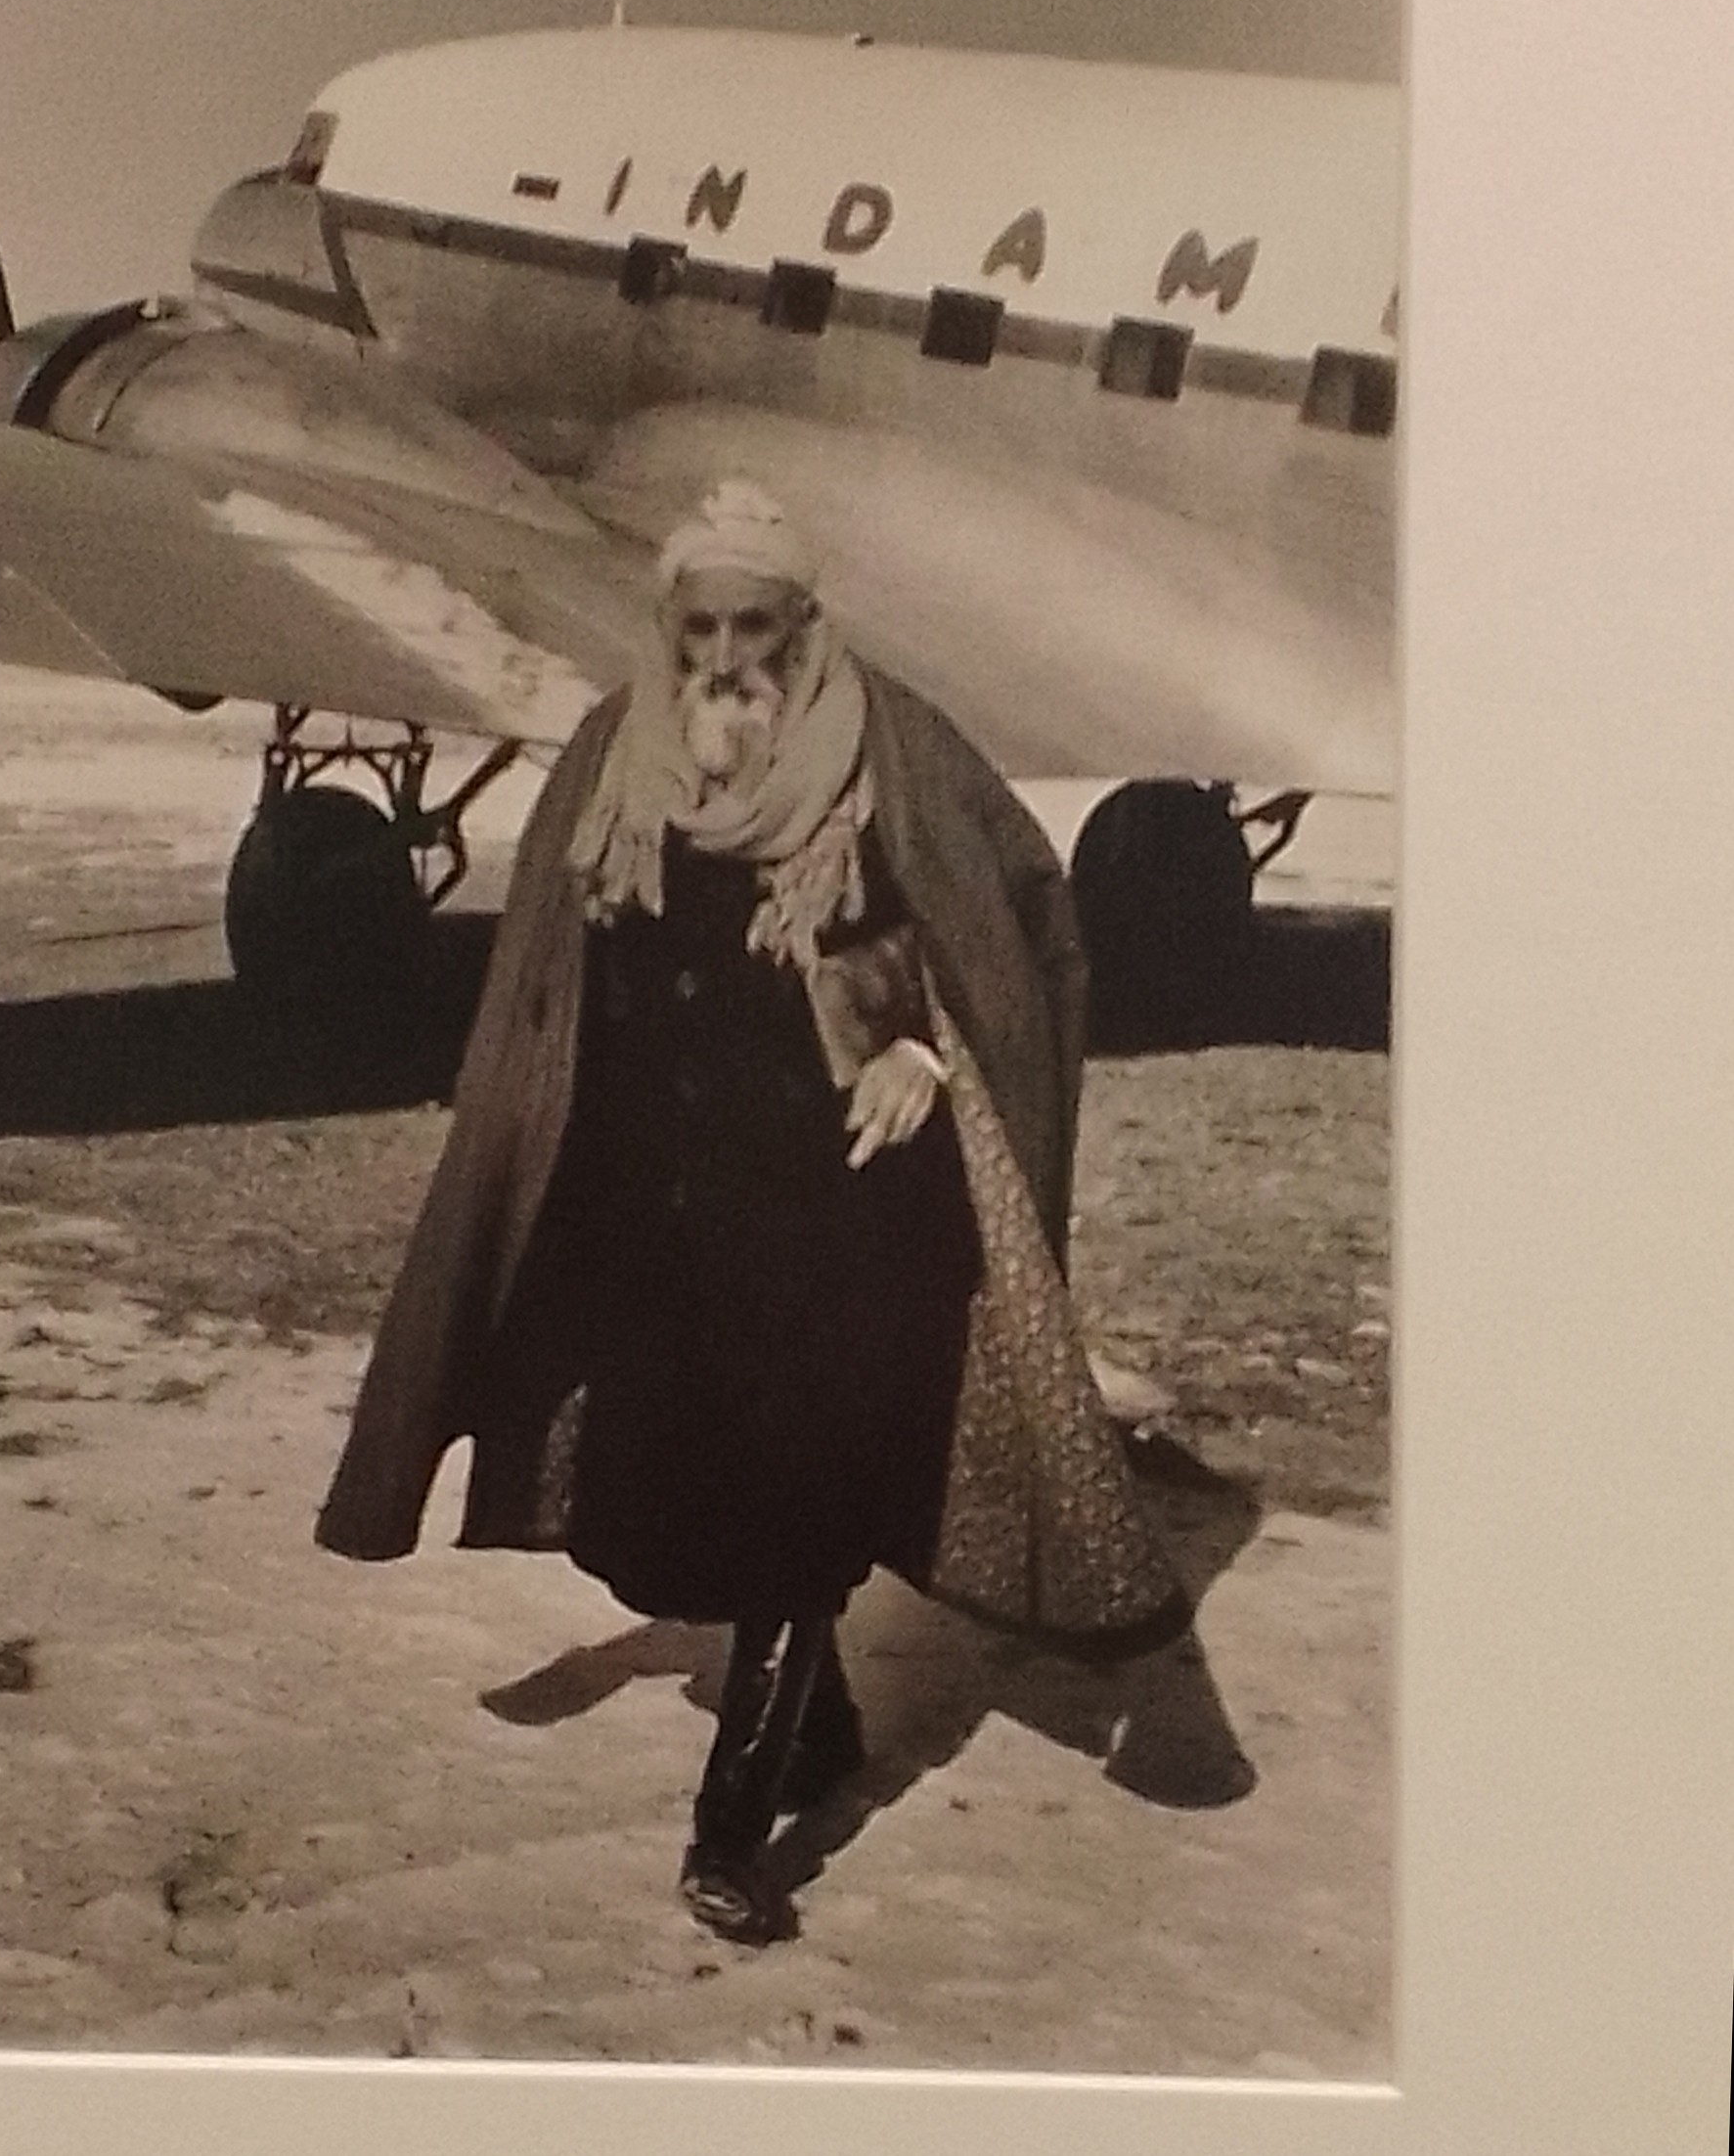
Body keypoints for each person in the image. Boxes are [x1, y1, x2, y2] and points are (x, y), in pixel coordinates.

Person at [317, 478, 1186, 1944]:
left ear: (805, 625)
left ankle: (729, 1832)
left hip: (838, 1207)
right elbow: (555, 972)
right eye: (701, 627)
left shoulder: (891, 747)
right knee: (692, 1510)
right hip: (663, 1212)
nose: (727, 658)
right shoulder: (616, 749)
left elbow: (1001, 922)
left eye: (756, 628)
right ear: (669, 625)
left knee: (794, 1512)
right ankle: (821, 1720)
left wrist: (920, 1048)